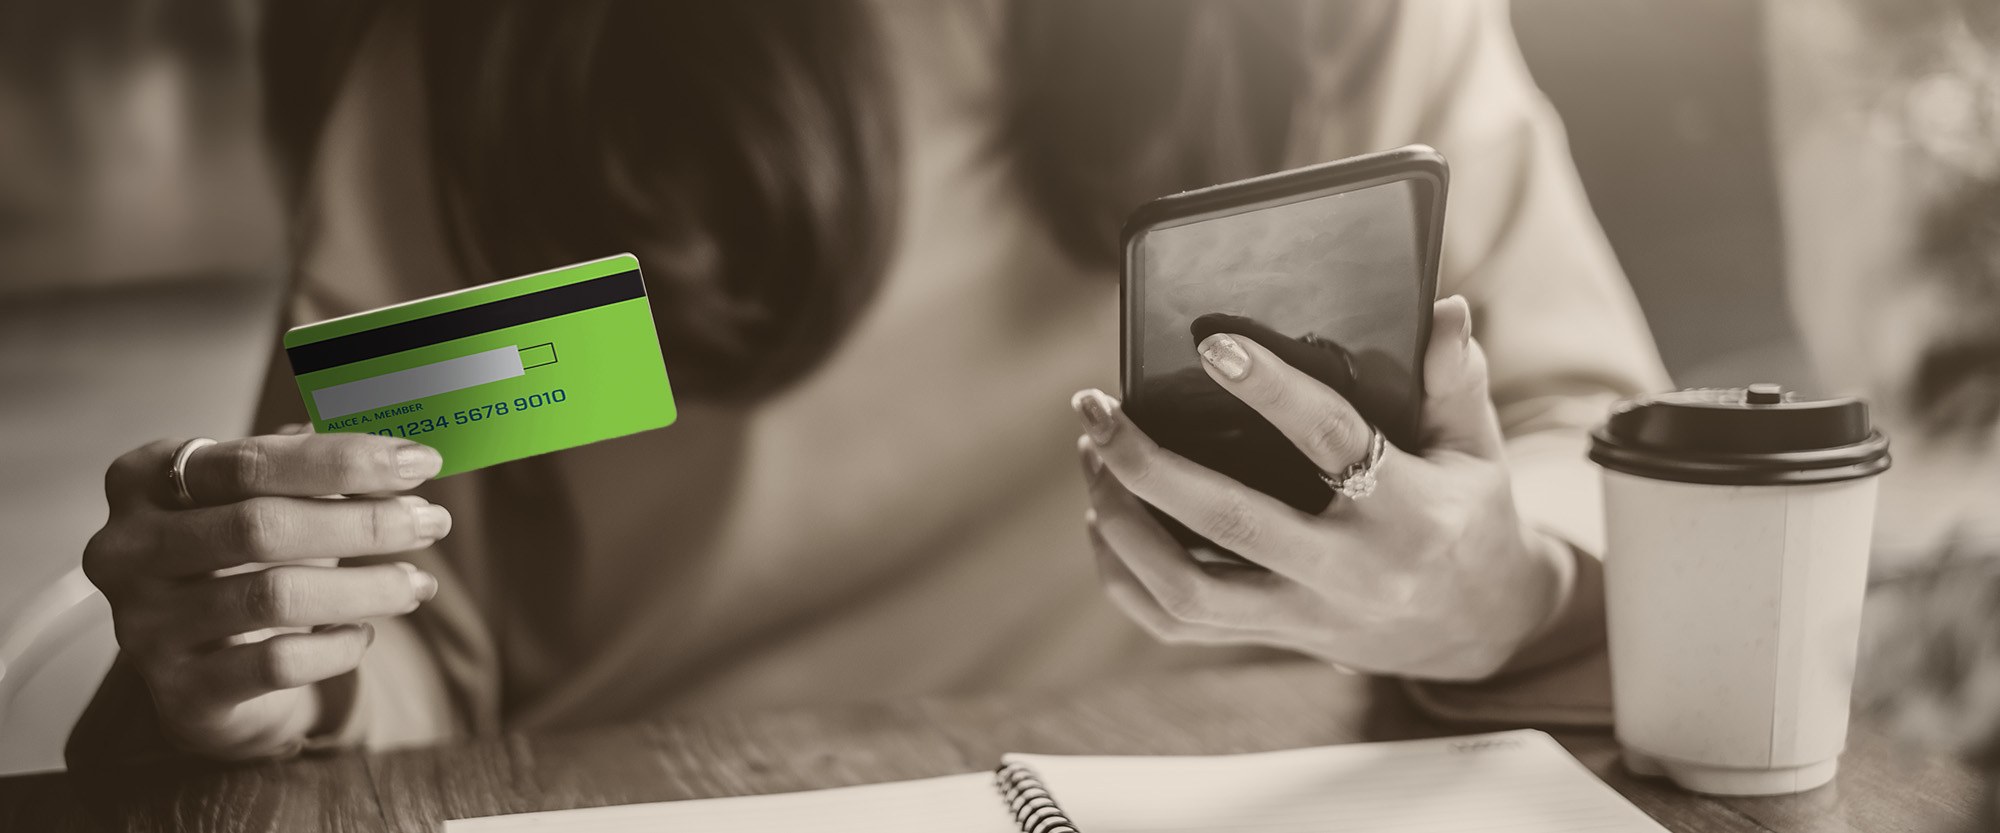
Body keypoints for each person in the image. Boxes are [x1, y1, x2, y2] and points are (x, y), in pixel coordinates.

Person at [70, 0, 1667, 764]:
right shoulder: (488, 76)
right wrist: (287, 659)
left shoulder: (1357, 27)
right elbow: (401, 631)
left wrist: (1490, 588)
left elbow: (1600, 457)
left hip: (1264, 780)